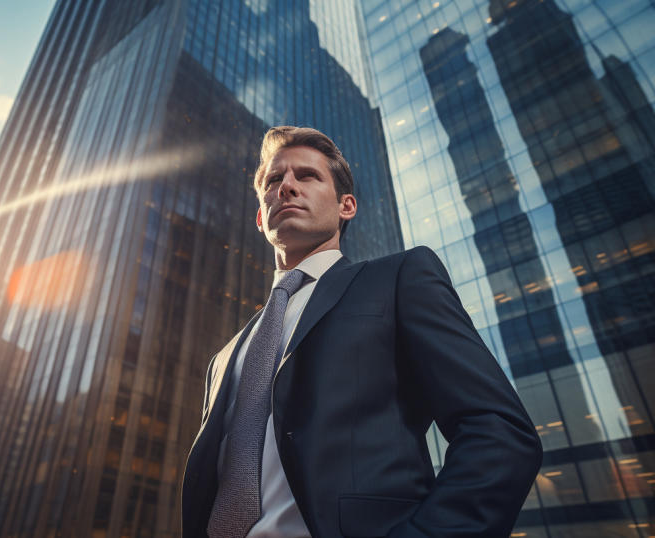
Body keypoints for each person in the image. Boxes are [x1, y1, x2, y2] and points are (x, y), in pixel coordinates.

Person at [182, 126, 542, 537]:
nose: (286, 187)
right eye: (274, 180)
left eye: (307, 176)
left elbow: (499, 432)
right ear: (261, 218)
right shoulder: (224, 357)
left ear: (346, 206)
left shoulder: (399, 279)